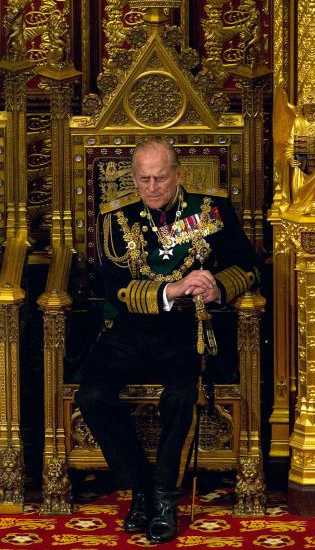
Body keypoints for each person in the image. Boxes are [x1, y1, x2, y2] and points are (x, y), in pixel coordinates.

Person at [76, 138, 258, 543]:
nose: (153, 186)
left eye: (161, 177)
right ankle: (141, 485)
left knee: (179, 396)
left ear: (178, 174)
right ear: (134, 178)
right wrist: (172, 289)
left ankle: (161, 496)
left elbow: (248, 266)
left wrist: (217, 288)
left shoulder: (210, 212)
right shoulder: (115, 221)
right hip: (128, 330)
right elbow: (115, 289)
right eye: (144, 179)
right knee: (92, 396)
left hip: (186, 331)